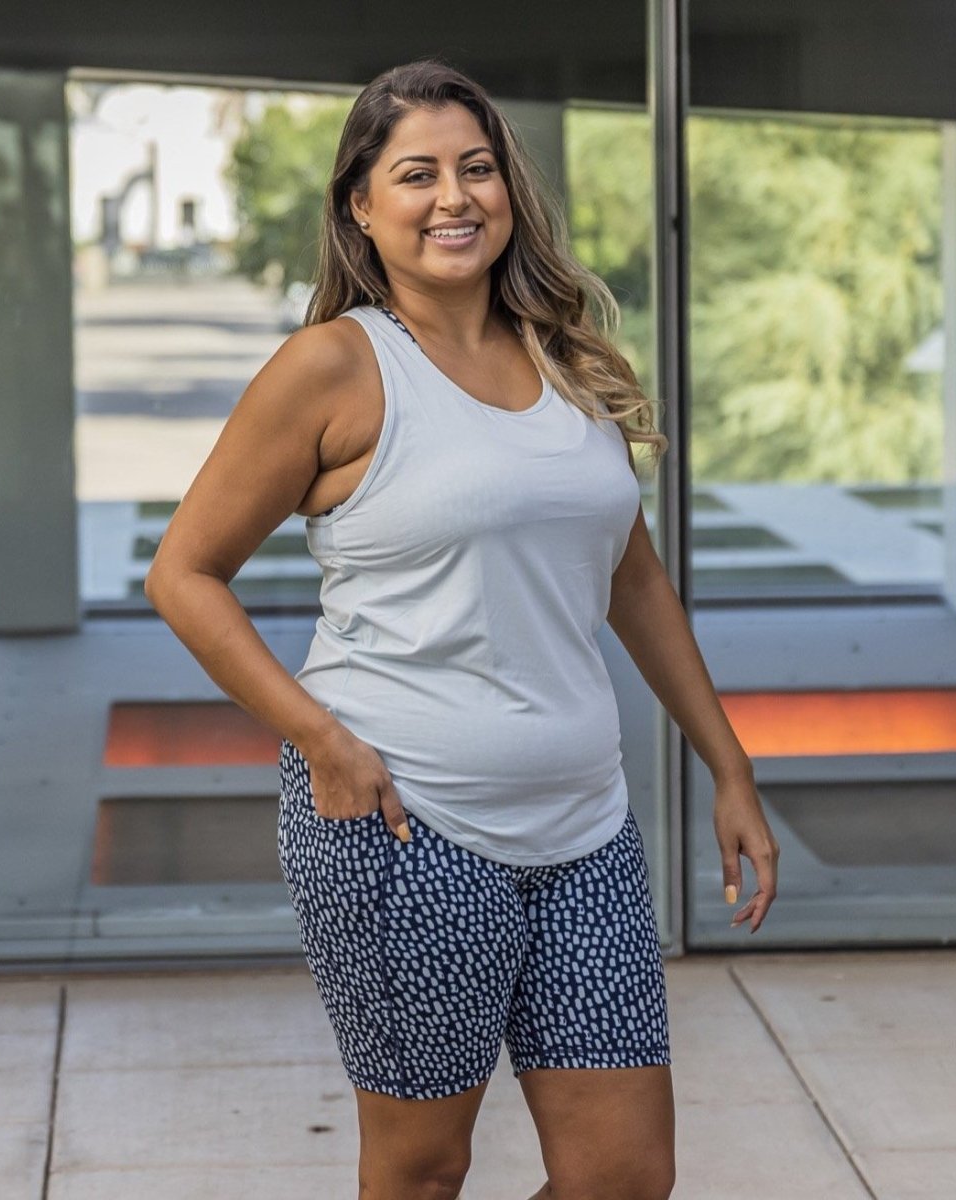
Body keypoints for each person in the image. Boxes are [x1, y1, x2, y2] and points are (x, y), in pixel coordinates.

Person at [145, 57, 779, 1200]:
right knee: (424, 1170)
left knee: (624, 1176)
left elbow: (633, 581)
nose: (454, 197)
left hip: (586, 824)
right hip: (407, 824)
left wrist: (727, 765)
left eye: (477, 168)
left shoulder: (565, 358)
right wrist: (321, 740)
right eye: (417, 174)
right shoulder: (335, 367)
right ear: (361, 205)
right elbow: (185, 574)